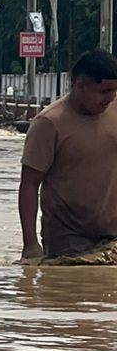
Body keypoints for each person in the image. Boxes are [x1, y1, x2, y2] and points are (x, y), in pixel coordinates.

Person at [20, 49, 117, 259]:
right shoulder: (49, 123)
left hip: (113, 234)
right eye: (103, 91)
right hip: (68, 238)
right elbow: (29, 183)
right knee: (71, 289)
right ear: (80, 86)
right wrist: (30, 244)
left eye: (114, 91)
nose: (110, 98)